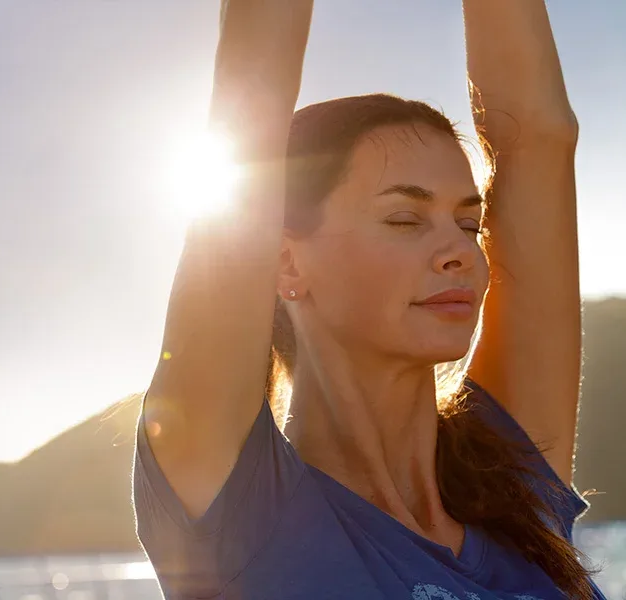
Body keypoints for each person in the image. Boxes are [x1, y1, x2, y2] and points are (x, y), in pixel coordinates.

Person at [134, 1, 604, 599]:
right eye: (405, 219)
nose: (459, 252)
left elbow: (539, 138)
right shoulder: (240, 512)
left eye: (469, 225)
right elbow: (252, 99)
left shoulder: (509, 479)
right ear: (286, 261)